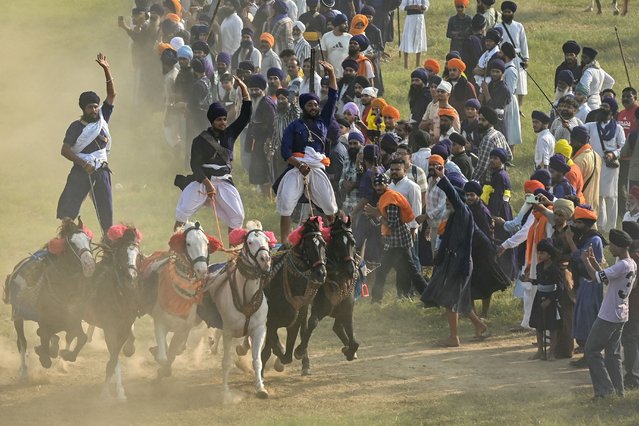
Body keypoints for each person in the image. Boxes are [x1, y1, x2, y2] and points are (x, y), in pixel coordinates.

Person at [421, 167, 489, 347]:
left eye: (450, 201)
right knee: (463, 302)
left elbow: (454, 196)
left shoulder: (462, 212)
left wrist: (443, 177)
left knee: (450, 300)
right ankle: (480, 326)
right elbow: (480, 235)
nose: (448, 203)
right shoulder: (456, 217)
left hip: (460, 263)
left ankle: (454, 338)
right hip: (458, 261)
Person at [174, 77, 251, 231]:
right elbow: (195, 165)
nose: (223, 122)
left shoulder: (230, 134)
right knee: (182, 214)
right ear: (212, 121)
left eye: (224, 119)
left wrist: (244, 91)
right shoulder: (200, 140)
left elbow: (245, 116)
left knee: (237, 218)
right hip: (203, 181)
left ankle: (233, 254)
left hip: (224, 181)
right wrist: (207, 184)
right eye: (218, 120)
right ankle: (176, 250)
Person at [275, 61, 339, 241]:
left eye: (316, 105)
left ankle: (334, 238)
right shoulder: (294, 126)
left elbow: (333, 96)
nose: (314, 108)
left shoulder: (323, 122)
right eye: (310, 105)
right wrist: (299, 165)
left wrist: (332, 73)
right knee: (286, 203)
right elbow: (285, 151)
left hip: (317, 167)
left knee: (329, 205)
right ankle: (285, 242)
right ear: (303, 107)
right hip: (297, 168)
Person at [57, 54, 116, 233]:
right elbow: (65, 150)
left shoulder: (102, 118)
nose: (94, 109)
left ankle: (109, 249)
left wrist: (107, 69)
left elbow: (112, 94)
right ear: (83, 109)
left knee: (106, 214)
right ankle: (66, 244)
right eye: (90, 107)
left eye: (96, 106)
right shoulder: (76, 127)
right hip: (81, 171)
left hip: (101, 171)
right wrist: (84, 164)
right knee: (68, 212)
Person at [581, 229, 636, 400]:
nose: (609, 248)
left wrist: (585, 261)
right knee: (613, 354)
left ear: (619, 246)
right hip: (621, 313)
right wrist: (594, 261)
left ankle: (604, 391)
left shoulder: (622, 264)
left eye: (611, 245)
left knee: (591, 350)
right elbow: (607, 278)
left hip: (609, 315)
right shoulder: (630, 263)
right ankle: (618, 392)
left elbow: (597, 278)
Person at [567, 206, 606, 367]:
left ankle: (589, 356)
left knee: (587, 318)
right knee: (581, 317)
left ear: (584, 223)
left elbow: (580, 257)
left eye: (577, 222)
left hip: (591, 284)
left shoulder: (594, 240)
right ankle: (586, 353)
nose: (575, 225)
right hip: (584, 283)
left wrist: (570, 241)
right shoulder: (585, 237)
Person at [586, 98, 626, 232]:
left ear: (612, 111)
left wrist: (613, 154)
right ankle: (601, 226)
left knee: (611, 196)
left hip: (611, 167)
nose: (602, 108)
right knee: (598, 195)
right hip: (596, 165)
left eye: (606, 106)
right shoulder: (591, 126)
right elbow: (577, 128)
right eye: (601, 105)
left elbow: (623, 146)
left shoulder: (618, 128)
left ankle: (611, 227)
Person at [482, 148, 516, 279]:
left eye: (495, 158)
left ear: (501, 161)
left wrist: (493, 215)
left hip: (500, 212)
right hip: (504, 210)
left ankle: (505, 272)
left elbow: (498, 197)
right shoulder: (501, 174)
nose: (492, 160)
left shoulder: (499, 176)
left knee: (501, 240)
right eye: (491, 157)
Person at [529, 239, 564, 361]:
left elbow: (560, 288)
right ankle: (540, 351)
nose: (539, 255)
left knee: (552, 327)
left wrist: (549, 300)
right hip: (539, 296)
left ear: (549, 254)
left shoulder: (555, 269)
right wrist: (529, 280)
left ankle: (552, 353)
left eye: (542, 253)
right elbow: (539, 281)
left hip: (551, 299)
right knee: (539, 326)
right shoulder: (539, 267)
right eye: (538, 253)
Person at [246, 74, 277, 196]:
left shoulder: (266, 103)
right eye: (251, 90)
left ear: (262, 90)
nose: (254, 92)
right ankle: (264, 196)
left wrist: (268, 141)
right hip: (258, 141)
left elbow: (272, 124)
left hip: (265, 142)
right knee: (259, 169)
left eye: (256, 90)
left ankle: (268, 198)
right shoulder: (255, 102)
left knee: (266, 171)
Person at [495, 1, 529, 107]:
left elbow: (523, 42)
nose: (507, 14)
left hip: (517, 57)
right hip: (503, 57)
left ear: (512, 13)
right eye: (505, 12)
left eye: (509, 12)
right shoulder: (498, 26)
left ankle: (519, 107)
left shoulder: (519, 26)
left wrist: (526, 58)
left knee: (521, 82)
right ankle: (506, 102)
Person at [472, 106, 512, 183]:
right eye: (479, 119)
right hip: (502, 178)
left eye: (483, 120)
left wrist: (472, 181)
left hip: (489, 182)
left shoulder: (487, 139)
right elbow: (509, 156)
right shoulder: (499, 134)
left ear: (490, 122)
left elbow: (482, 166)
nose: (480, 122)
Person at [621, 221, 639, 389]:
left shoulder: (632, 258)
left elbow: (631, 285)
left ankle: (632, 377)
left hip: (633, 305)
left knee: (630, 340)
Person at [270, 88, 301, 180]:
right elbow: (275, 133)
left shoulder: (292, 113)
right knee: (281, 176)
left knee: (293, 176)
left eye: (283, 98)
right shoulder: (277, 115)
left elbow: (296, 110)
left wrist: (293, 102)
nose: (280, 101)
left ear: (288, 99)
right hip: (280, 151)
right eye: (279, 99)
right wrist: (272, 150)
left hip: (293, 150)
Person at [399, 0, 429, 69]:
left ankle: (417, 64)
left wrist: (422, 7)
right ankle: (406, 65)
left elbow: (426, 5)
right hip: (410, 18)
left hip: (419, 17)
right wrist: (411, 7)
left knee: (419, 39)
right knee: (407, 39)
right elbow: (402, 6)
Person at [340, 131, 364, 216]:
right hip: (347, 202)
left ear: (361, 144)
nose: (352, 146)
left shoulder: (365, 157)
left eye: (355, 143)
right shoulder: (347, 157)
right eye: (350, 143)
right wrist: (343, 183)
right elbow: (342, 178)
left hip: (361, 205)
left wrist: (354, 184)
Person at [321, 14, 352, 79]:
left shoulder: (349, 37)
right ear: (337, 25)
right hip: (331, 74)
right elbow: (323, 55)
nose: (347, 26)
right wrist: (323, 70)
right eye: (344, 24)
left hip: (346, 74)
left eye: (347, 23)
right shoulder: (326, 36)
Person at [554, 139, 585, 203]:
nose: (555, 157)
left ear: (564, 157)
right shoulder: (574, 166)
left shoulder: (569, 173)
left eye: (557, 155)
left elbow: (569, 198)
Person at [460, 14, 487, 81]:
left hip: (471, 76)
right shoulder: (488, 41)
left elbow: (464, 61)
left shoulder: (468, 41)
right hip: (485, 76)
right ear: (483, 28)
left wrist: (472, 71)